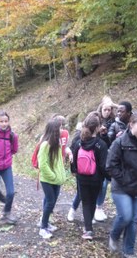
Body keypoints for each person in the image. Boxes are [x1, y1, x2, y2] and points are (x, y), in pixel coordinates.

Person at [106, 111, 137, 257]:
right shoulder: (120, 142)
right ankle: (114, 236)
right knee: (126, 216)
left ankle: (128, 252)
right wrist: (124, 180)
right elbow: (110, 165)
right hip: (122, 187)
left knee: (134, 220)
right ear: (132, 124)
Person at [71, 112, 108, 240]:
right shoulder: (101, 145)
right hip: (96, 179)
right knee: (92, 201)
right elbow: (104, 166)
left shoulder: (78, 142)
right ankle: (88, 226)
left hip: (82, 178)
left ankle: (88, 229)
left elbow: (73, 160)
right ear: (97, 128)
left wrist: (74, 171)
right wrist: (106, 176)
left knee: (86, 202)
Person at [38, 119, 66, 239]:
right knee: (50, 202)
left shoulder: (57, 144)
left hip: (56, 180)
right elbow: (42, 164)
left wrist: (60, 175)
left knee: (53, 202)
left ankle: (46, 222)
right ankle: (43, 227)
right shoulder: (45, 144)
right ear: (54, 130)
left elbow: (58, 162)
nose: (62, 130)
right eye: (60, 128)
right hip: (47, 179)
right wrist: (52, 176)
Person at [95, 96, 117, 222]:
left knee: (104, 184)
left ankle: (99, 207)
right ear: (101, 108)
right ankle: (92, 208)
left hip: (107, 155)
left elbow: (131, 115)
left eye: (109, 109)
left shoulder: (114, 121)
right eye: (105, 109)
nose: (107, 112)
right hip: (95, 154)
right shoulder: (95, 119)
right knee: (98, 184)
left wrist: (114, 104)